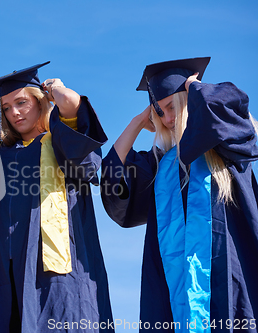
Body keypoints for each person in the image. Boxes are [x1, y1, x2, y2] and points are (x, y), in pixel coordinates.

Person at [0, 62, 114, 332]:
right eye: (6, 108)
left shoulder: (59, 140)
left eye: (22, 102)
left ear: (41, 101)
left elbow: (72, 105)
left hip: (53, 267)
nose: (14, 113)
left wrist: (57, 89)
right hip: (0, 268)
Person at [100, 57, 258, 332]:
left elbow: (224, 110)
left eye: (172, 106)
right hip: (174, 290)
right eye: (159, 112)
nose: (168, 118)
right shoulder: (162, 165)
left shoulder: (226, 146)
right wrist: (138, 121)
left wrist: (194, 86)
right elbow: (113, 174)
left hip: (226, 275)